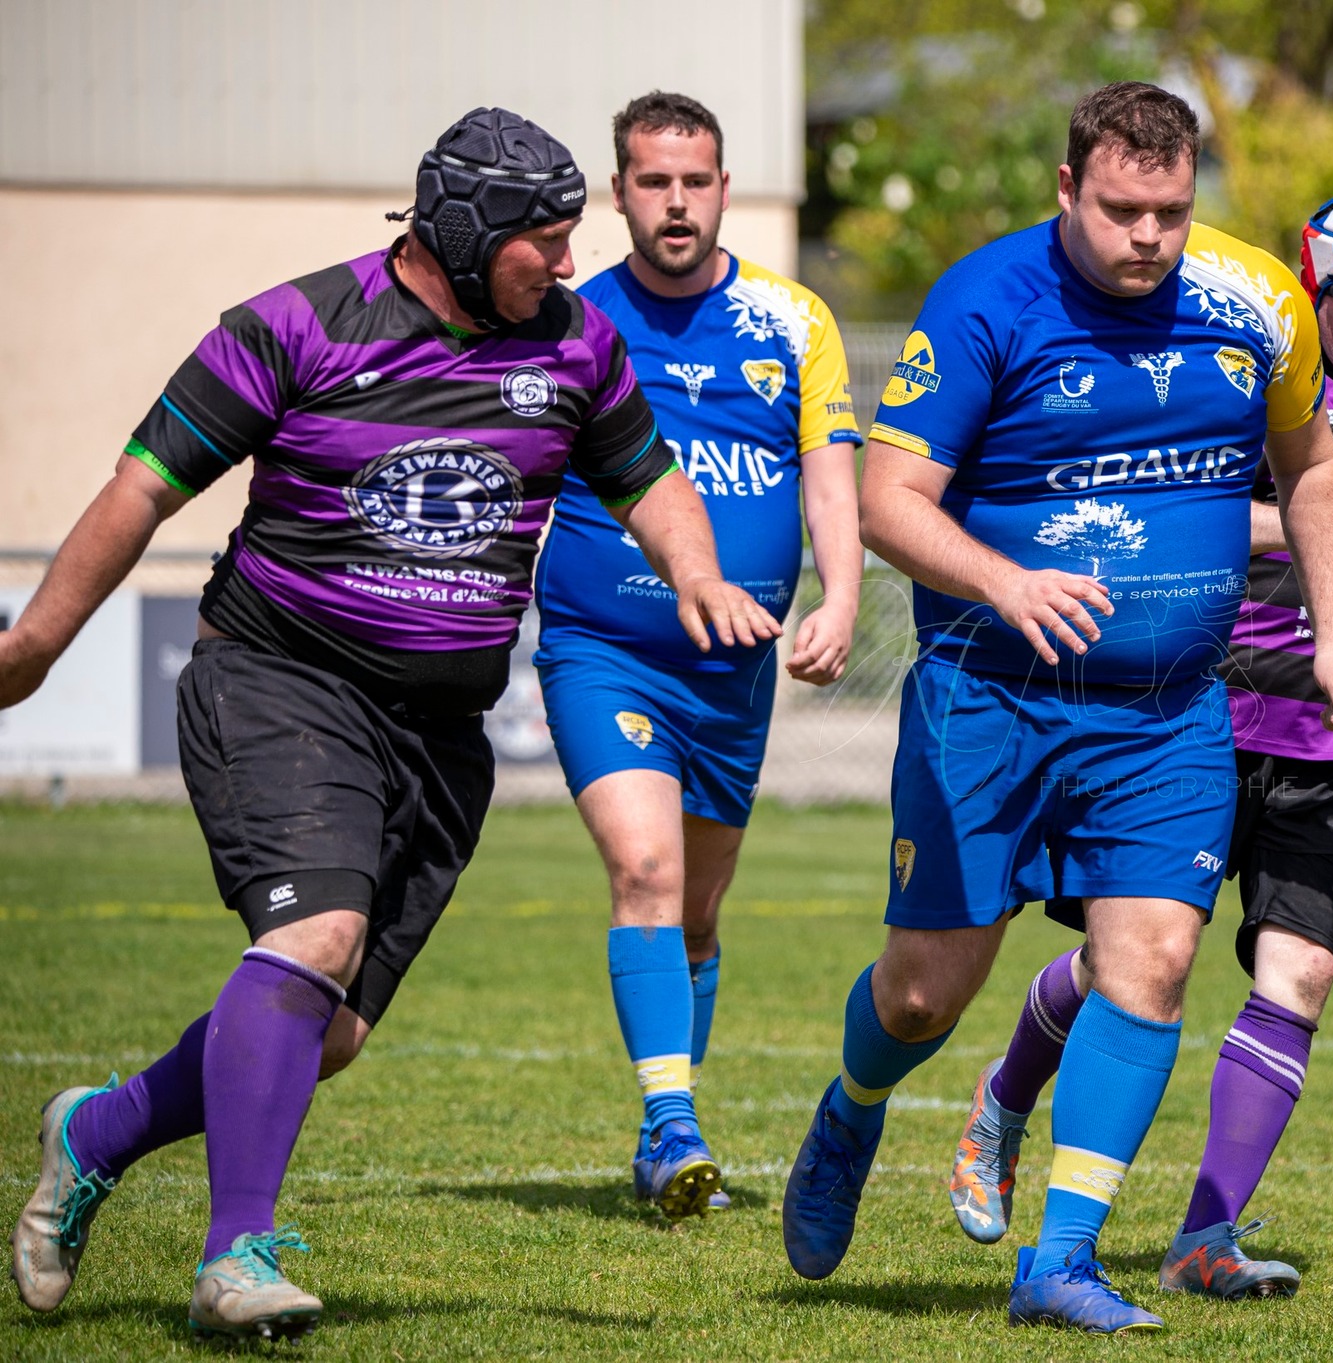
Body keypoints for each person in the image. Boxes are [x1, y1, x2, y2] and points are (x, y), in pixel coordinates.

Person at [2, 107, 777, 1340]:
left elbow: (651, 482)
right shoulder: (294, 327)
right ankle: (235, 1256)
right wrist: (35, 645)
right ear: (464, 230)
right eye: (544, 240)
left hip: (441, 732)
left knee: (332, 1033)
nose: (567, 266)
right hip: (279, 679)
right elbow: (139, 488)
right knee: (316, 939)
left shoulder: (573, 347)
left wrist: (694, 572)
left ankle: (94, 1131)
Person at [778, 82, 1333, 1335]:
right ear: (1066, 192)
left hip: (1164, 713)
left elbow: (1310, 463)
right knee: (925, 994)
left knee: (1150, 962)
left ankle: (1062, 1259)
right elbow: (890, 499)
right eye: (1119, 210)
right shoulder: (987, 300)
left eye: (1169, 209)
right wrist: (1003, 581)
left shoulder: (1260, 299)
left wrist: (1328, 638)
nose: (1148, 235)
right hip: (987, 696)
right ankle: (850, 1109)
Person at [952, 183, 1333, 1301]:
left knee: (1302, 972)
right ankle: (1003, 1098)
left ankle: (1200, 1238)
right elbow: (1192, 506)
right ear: (1311, 281)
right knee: (1124, 962)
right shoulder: (1242, 361)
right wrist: (1317, 520)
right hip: (1202, 709)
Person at [533, 92, 863, 1220]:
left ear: (724, 188)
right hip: (602, 652)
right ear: (617, 193)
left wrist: (843, 595)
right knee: (645, 872)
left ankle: (657, 1130)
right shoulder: (570, 323)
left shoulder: (793, 321)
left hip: (735, 672)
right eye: (652, 181)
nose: (676, 203)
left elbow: (828, 475)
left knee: (699, 912)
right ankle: (674, 1124)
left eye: (696, 181)